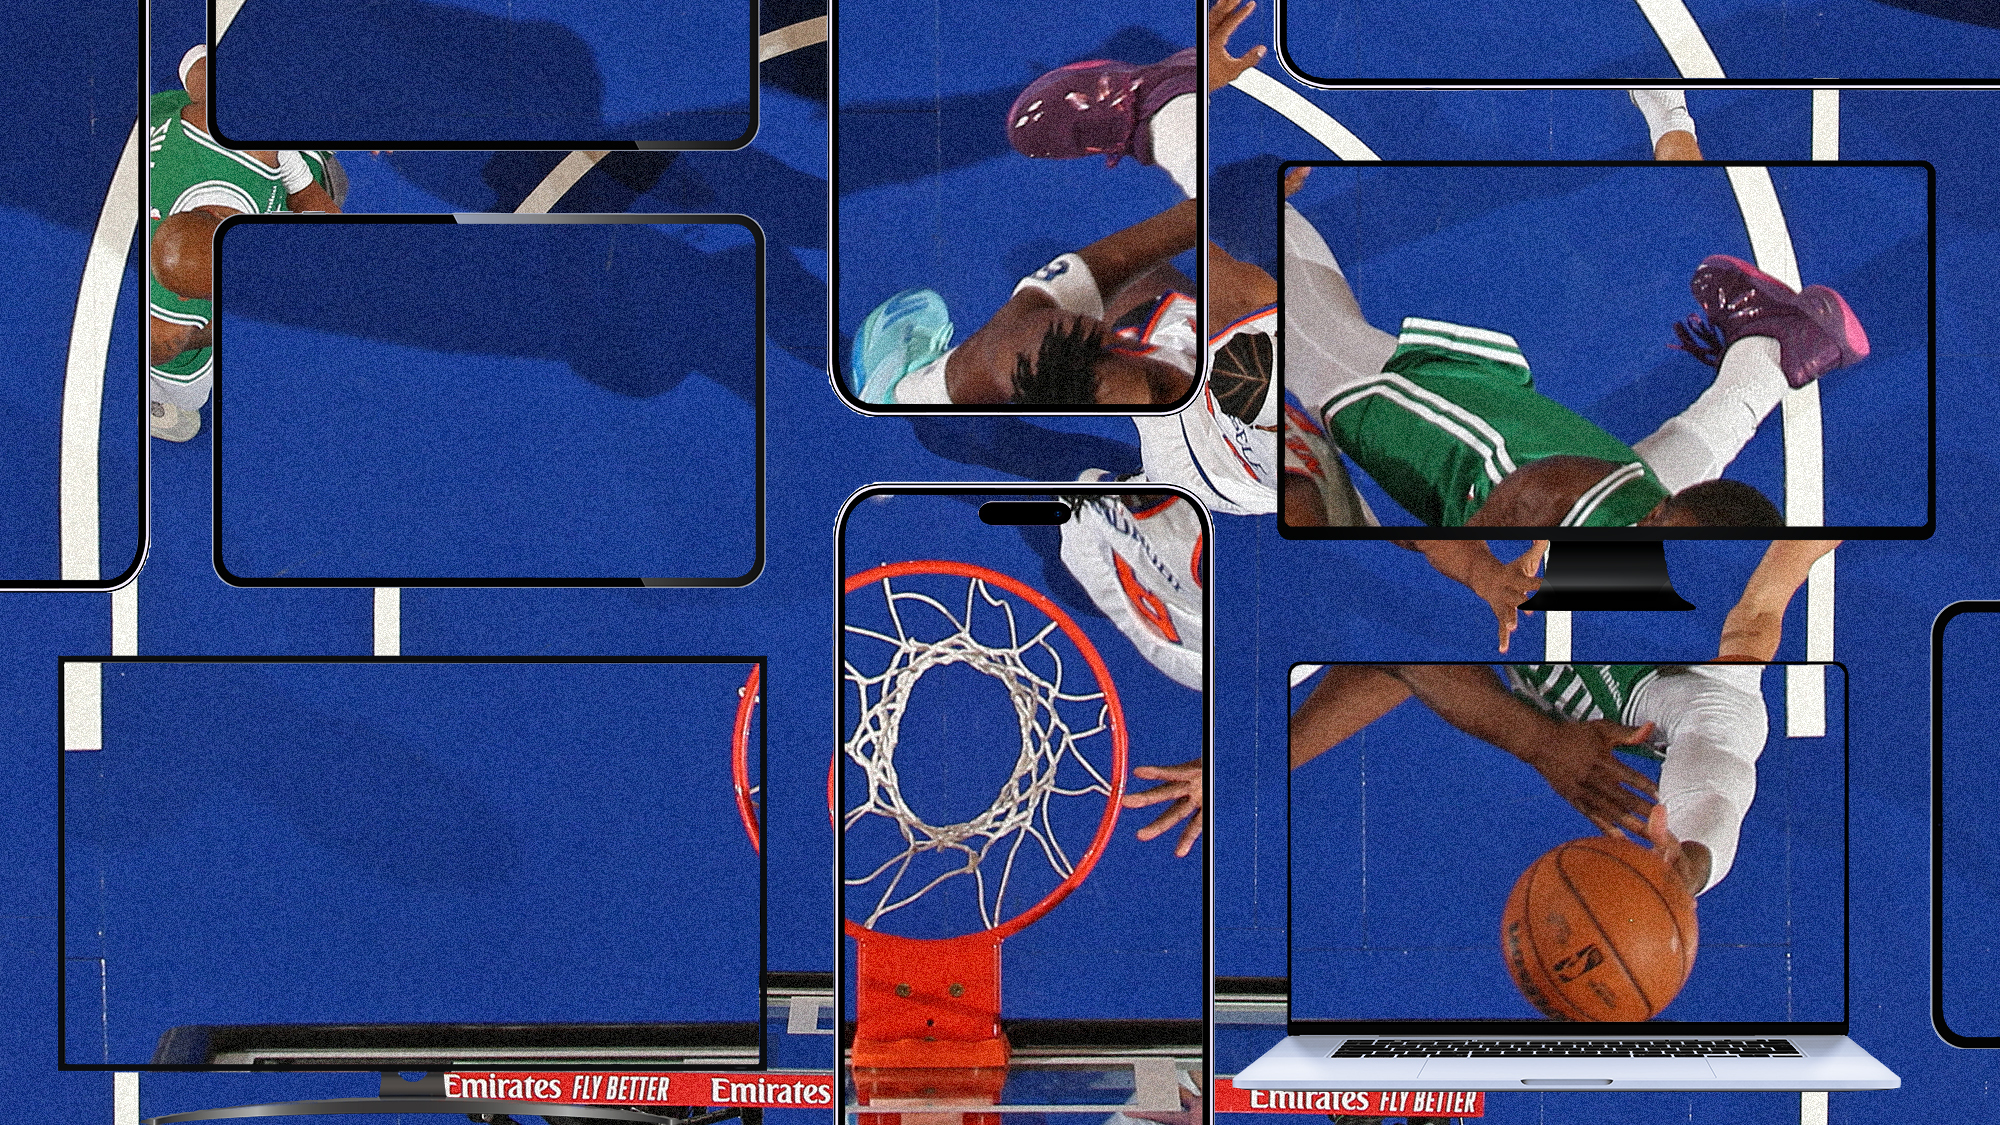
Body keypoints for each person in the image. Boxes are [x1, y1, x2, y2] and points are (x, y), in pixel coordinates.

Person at [1123, 540, 1843, 881]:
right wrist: (1682, 872)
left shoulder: (1689, 707)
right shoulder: (1720, 692)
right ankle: (1761, 366)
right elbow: (1720, 783)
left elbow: (1409, 659)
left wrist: (1246, 768)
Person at [149, 45, 343, 441]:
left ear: (218, 216)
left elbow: (195, 60)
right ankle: (154, 396)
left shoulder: (231, 132)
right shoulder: (165, 326)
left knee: (332, 182)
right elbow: (173, 341)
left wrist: (289, 164)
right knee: (190, 397)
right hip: (166, 329)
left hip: (164, 133)